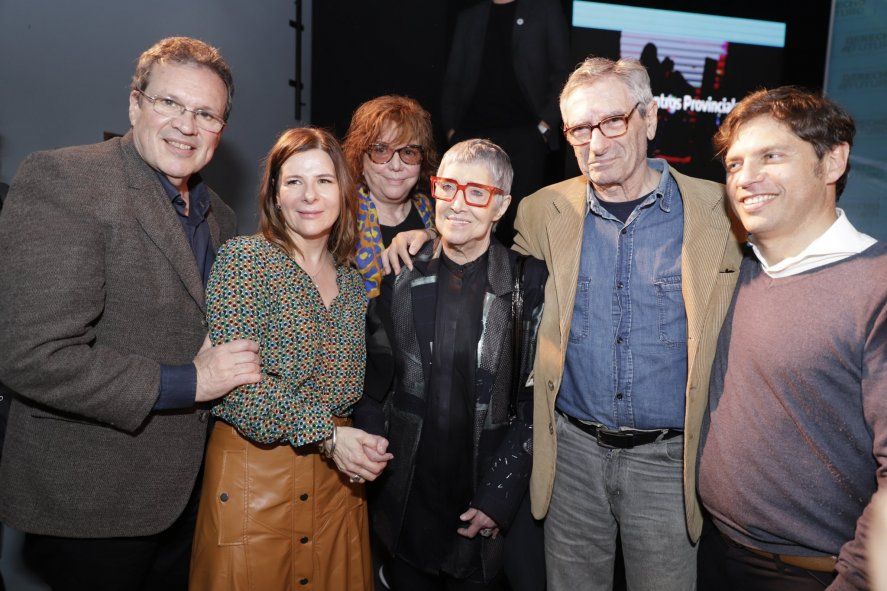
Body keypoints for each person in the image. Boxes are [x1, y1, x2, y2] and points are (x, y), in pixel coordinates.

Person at [384, 57, 744, 590]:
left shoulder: (718, 211)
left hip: (666, 465)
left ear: (649, 118)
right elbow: (488, 263)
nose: (595, 143)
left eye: (611, 122)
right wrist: (424, 239)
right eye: (578, 129)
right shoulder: (542, 210)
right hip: (570, 456)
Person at [0, 37, 261, 591]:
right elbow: (31, 355)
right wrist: (189, 383)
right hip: (93, 502)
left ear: (221, 128)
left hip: (191, 499)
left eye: (206, 113)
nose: (186, 126)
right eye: (169, 103)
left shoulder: (223, 218)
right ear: (135, 104)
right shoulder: (66, 180)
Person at [697, 86, 886, 591]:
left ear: (833, 162)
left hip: (811, 578)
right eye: (734, 164)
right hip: (714, 556)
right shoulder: (737, 274)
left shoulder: (878, 287)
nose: (745, 179)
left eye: (770, 157)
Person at [189, 127, 391, 590]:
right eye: (293, 181)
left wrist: (360, 442)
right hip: (255, 483)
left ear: (343, 193)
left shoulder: (354, 283)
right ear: (275, 194)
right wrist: (327, 434)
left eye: (323, 180)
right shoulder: (246, 260)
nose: (308, 195)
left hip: (338, 485)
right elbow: (237, 389)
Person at [355, 139, 548, 590]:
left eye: (476, 192)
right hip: (405, 501)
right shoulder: (400, 275)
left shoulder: (528, 282)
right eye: (448, 187)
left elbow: (537, 401)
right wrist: (371, 443)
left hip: (481, 500)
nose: (458, 204)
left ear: (500, 206)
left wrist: (498, 497)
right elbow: (370, 380)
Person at [442, 0, 570, 245]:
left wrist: (545, 125)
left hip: (525, 135)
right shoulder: (470, 16)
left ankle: (515, 282)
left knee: (521, 224)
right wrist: (451, 131)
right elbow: (453, 79)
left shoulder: (544, 9)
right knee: (467, 215)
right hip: (472, 134)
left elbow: (562, 72)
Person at [342, 95, 438, 297]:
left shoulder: (439, 213)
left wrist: (432, 234)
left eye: (409, 152)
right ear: (360, 159)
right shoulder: (339, 219)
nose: (395, 166)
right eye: (381, 150)